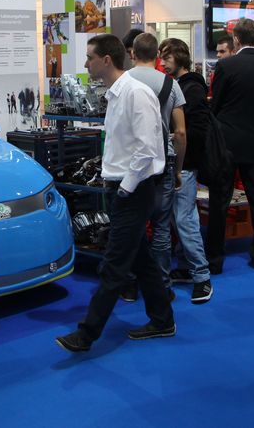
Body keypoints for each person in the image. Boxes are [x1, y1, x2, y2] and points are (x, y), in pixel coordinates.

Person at [55, 34, 173, 352]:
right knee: (142, 259)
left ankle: (87, 334)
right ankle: (163, 319)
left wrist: (125, 187)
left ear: (106, 60)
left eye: (89, 57)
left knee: (114, 264)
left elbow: (148, 148)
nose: (85, 64)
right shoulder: (117, 94)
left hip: (133, 191)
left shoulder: (136, 93)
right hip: (121, 188)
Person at [208, 18, 254, 272]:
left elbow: (215, 105)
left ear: (236, 39)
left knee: (219, 200)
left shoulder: (226, 66)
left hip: (226, 143)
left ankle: (214, 259)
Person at [121, 32, 186, 302]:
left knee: (132, 226)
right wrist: (178, 168)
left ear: (132, 53)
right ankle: (161, 287)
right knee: (160, 226)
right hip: (162, 162)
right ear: (157, 55)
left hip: (130, 164)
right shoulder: (171, 85)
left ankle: (129, 285)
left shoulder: (122, 82)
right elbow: (180, 132)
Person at [160, 39, 213, 303]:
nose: (163, 62)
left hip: (186, 164)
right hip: (178, 163)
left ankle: (202, 276)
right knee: (177, 218)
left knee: (184, 219)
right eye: (161, 57)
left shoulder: (191, 89)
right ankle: (187, 267)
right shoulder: (180, 86)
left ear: (179, 57)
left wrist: (182, 160)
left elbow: (196, 131)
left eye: (167, 57)